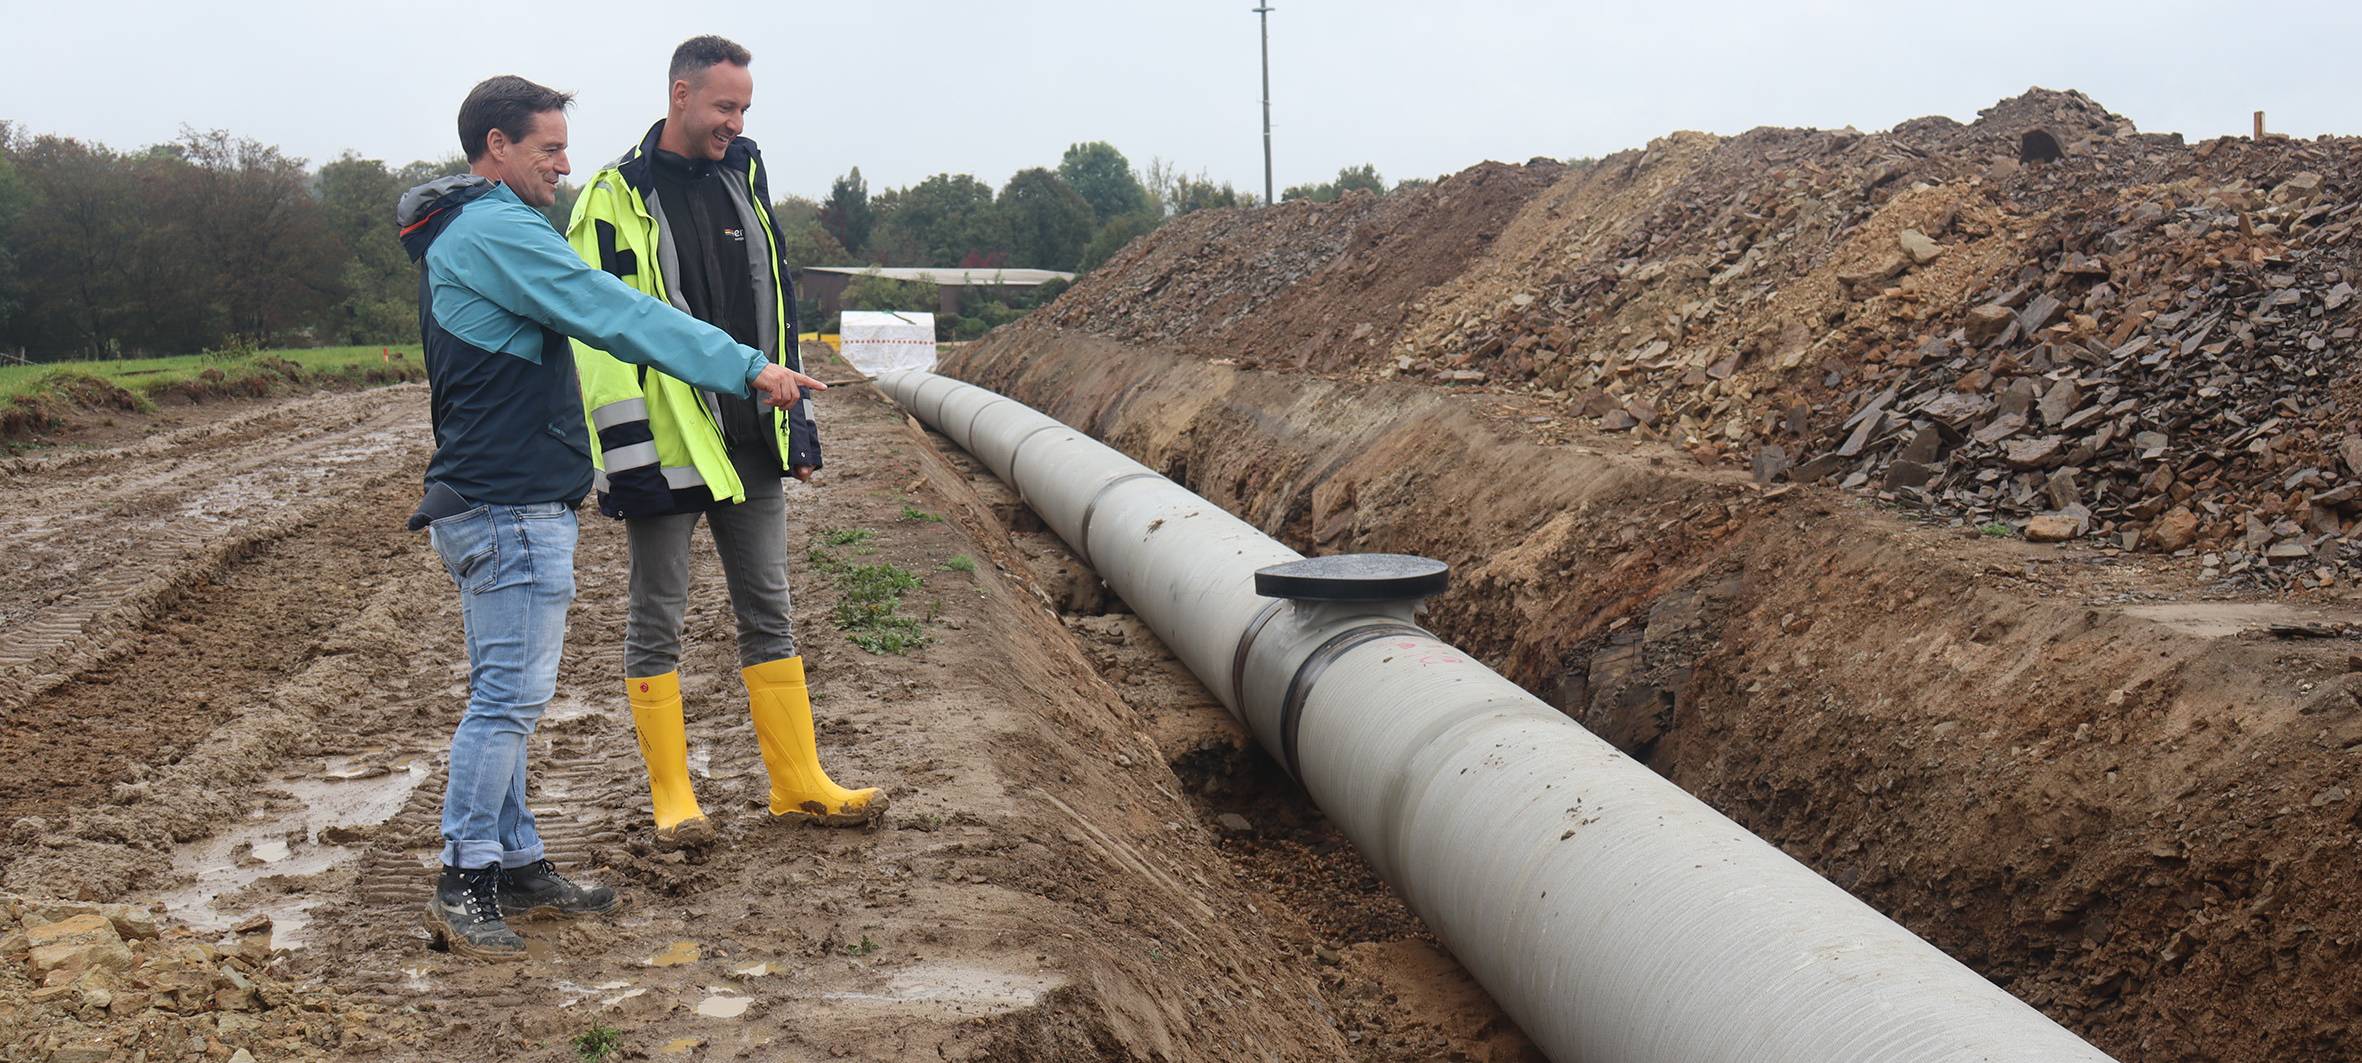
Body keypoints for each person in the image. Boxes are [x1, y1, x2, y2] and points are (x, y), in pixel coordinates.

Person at [397, 73, 825, 960]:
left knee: (504, 693)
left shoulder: (469, 230)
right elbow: (615, 312)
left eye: (564, 144)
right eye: (547, 148)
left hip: (496, 498)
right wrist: (746, 364)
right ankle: (464, 876)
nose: (563, 163)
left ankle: (517, 861)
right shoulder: (501, 231)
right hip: (509, 504)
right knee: (507, 702)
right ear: (496, 149)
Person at [565, 35, 884, 849]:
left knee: (769, 610)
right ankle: (675, 798)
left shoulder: (746, 178)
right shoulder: (612, 194)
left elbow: (774, 311)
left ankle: (797, 783)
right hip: (667, 444)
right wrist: (627, 458)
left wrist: (796, 426)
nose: (734, 122)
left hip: (751, 437)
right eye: (723, 106)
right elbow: (598, 338)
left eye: (743, 108)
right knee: (657, 617)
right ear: (680, 95)